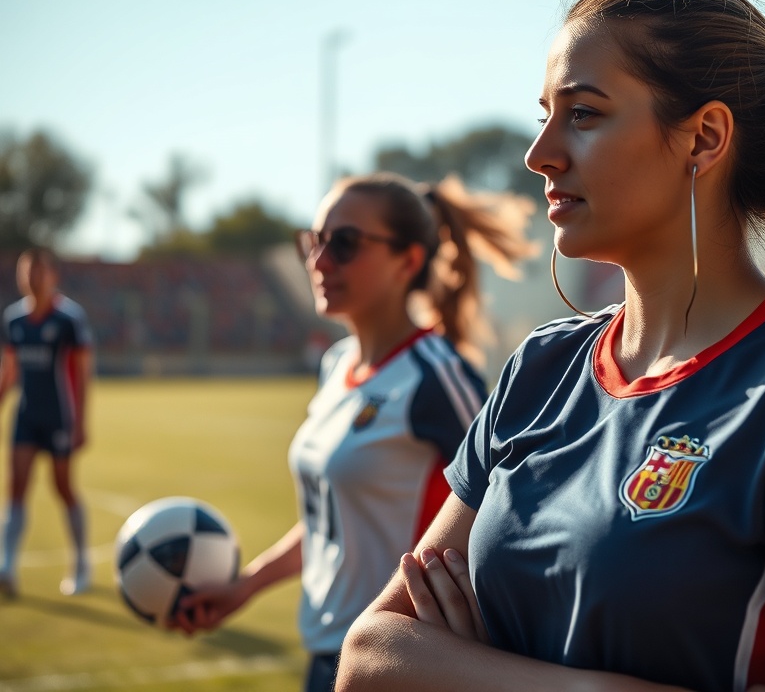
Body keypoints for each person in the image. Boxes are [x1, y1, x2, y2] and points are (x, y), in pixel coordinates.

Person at [335, 0, 765, 692]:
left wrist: (465, 668)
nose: (540, 155)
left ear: (704, 137)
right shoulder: (542, 367)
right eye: (545, 116)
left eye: (584, 115)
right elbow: (370, 655)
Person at [170, 172, 536, 692]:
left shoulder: (437, 376)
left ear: (408, 260)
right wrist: (244, 587)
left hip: (400, 663)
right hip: (329, 658)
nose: (319, 261)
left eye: (343, 243)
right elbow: (334, 519)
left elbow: (510, 514)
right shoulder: (336, 365)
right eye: (313, 241)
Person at [0, 247, 94, 598]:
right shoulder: (13, 320)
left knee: (63, 488)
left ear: (53, 276)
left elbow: (83, 373)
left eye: (40, 272)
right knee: (16, 488)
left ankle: (81, 564)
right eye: (27, 272)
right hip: (26, 415)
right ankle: (7, 566)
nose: (33, 279)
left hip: (59, 416)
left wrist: (81, 422)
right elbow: (9, 371)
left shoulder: (69, 319)